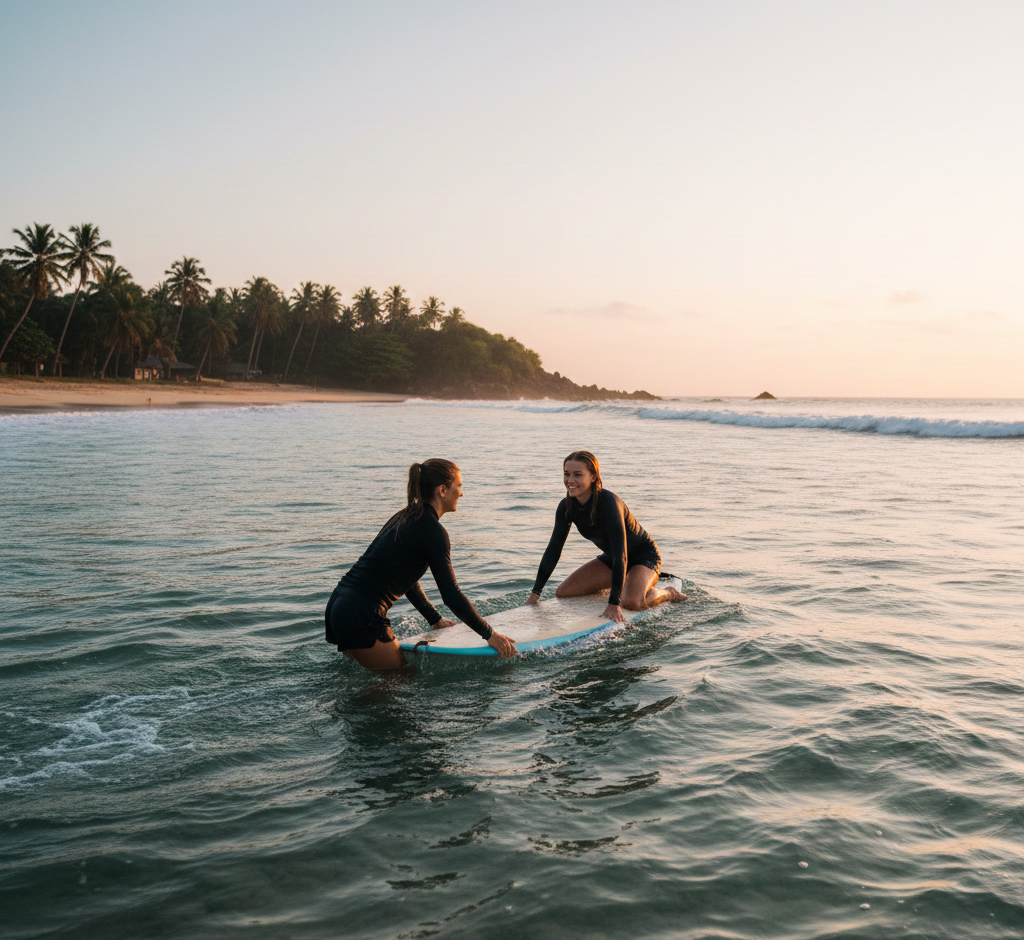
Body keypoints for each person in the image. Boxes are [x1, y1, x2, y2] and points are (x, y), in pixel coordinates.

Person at [326, 459, 518, 669]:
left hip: (339, 605)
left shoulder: (404, 517)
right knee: (400, 683)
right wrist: (490, 634)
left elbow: (405, 576)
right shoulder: (433, 531)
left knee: (375, 687)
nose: (462, 494)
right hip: (361, 614)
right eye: (459, 486)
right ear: (443, 490)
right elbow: (451, 595)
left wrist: (434, 619)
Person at [526, 450, 687, 624]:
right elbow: (553, 550)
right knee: (564, 592)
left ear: (593, 477)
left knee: (632, 602)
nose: (570, 481)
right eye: (567, 474)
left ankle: (668, 592)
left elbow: (622, 554)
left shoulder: (610, 504)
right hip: (613, 559)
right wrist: (536, 593)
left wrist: (613, 603)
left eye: (577, 475)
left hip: (643, 557)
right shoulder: (566, 507)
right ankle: (628, 582)